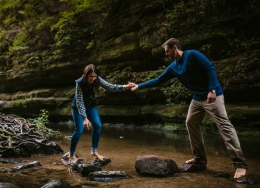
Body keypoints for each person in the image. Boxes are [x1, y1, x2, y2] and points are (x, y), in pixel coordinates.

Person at [129, 38, 247, 179]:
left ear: (175, 48)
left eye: (167, 51)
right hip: (197, 98)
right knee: (190, 122)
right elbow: (158, 80)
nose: (166, 54)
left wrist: (212, 90)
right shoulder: (173, 67)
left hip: (212, 96)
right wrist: (139, 86)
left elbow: (210, 68)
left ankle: (240, 164)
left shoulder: (192, 55)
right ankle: (200, 160)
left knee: (224, 126)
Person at [69, 64, 131, 163]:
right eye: (90, 77)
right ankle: (71, 155)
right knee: (79, 130)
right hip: (77, 108)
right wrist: (85, 118)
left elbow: (110, 86)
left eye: (94, 76)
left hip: (91, 106)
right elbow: (79, 101)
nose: (93, 79)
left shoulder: (98, 79)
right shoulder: (79, 83)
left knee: (98, 126)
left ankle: (94, 151)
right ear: (85, 75)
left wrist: (124, 87)